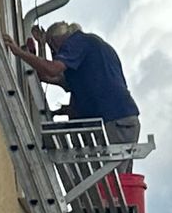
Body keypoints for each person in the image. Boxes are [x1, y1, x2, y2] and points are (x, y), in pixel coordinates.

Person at [14, 20, 141, 161]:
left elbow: (51, 69)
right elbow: (47, 75)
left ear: (57, 40)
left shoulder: (77, 42)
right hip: (120, 122)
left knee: (109, 177)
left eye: (53, 48)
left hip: (115, 122)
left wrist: (19, 53)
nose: (56, 53)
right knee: (108, 177)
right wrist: (42, 45)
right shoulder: (86, 58)